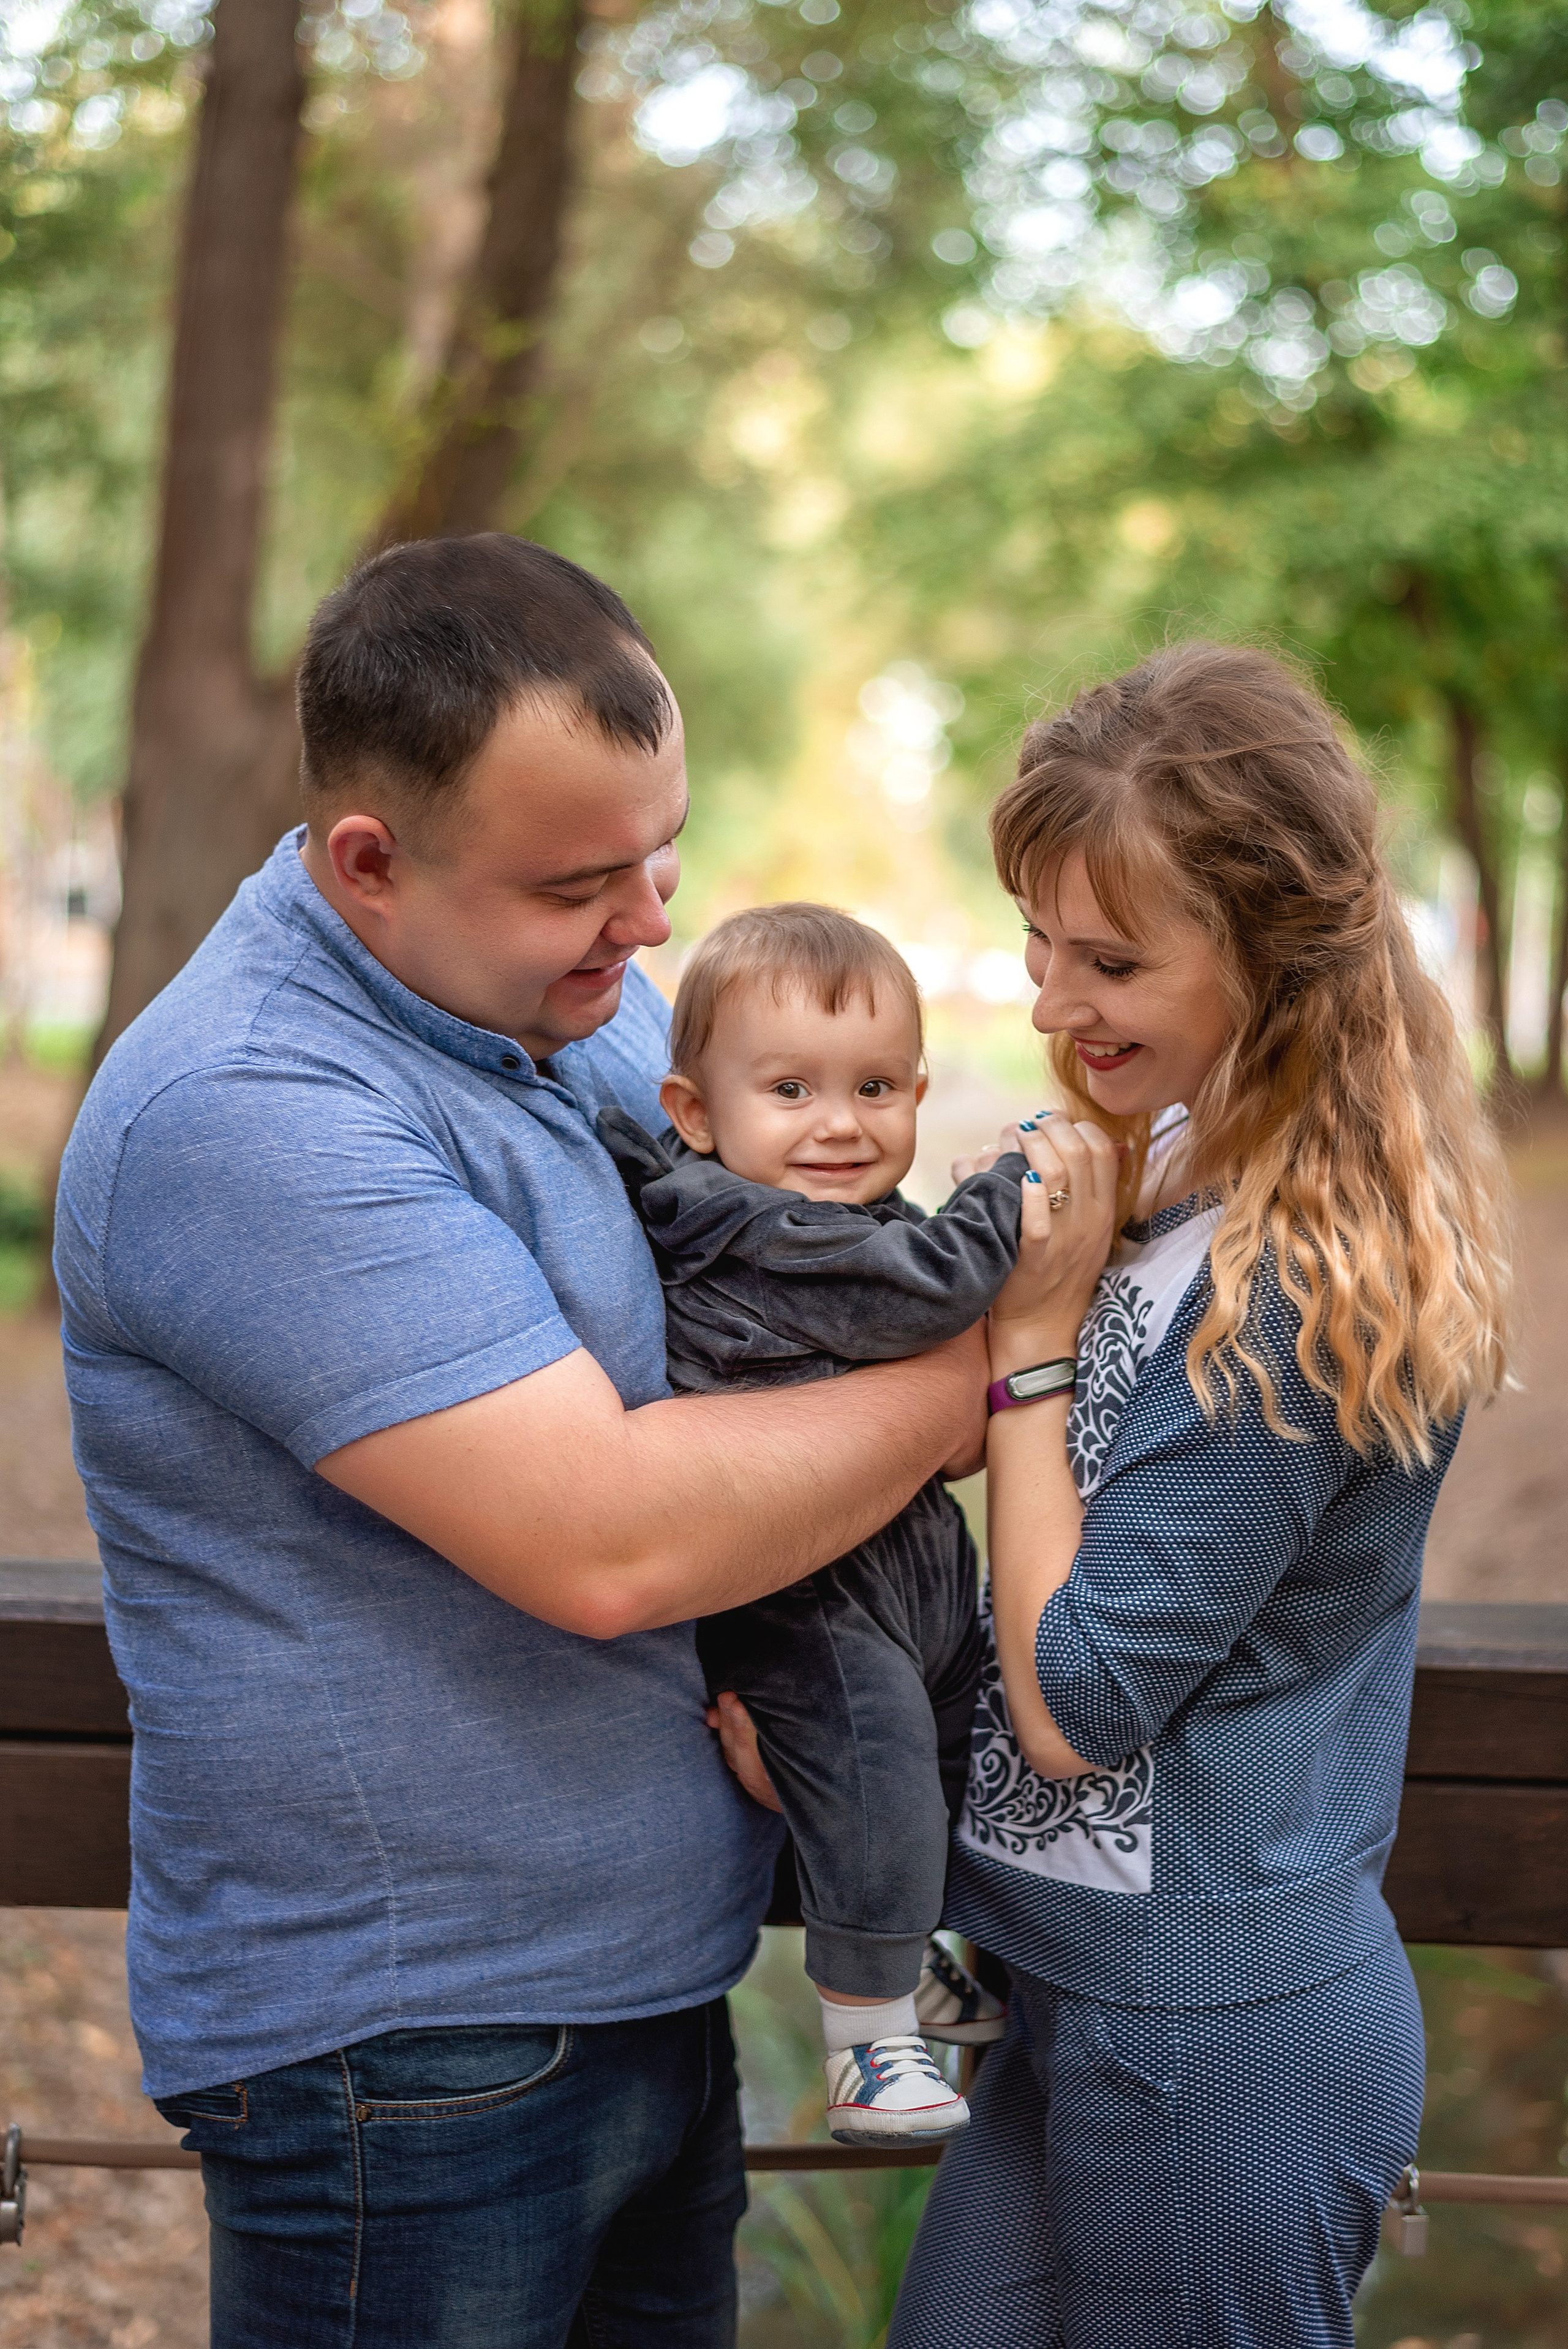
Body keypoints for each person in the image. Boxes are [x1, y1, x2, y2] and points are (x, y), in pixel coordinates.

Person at [53, 533, 986, 2349]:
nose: (649, 926)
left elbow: (793, 1278)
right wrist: (983, 1381)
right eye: (584, 881)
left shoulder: (565, 994)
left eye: (664, 853)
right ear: (371, 865)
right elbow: (607, 1537)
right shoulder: (248, 1109)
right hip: (410, 2059)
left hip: (648, 1990)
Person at [880, 642, 1514, 2349]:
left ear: (1265, 960)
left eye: (1110, 958)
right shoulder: (1160, 1177)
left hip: (1218, 2036)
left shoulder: (1306, 1278)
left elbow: (1083, 1695)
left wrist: (1028, 1347)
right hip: (1071, 1987)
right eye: (1036, 942)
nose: (1048, 998)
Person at [601, 902, 1023, 2149]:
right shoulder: (751, 1225)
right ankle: (866, 2047)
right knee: (881, 1770)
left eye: (876, 1086)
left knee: (956, 1754)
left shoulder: (826, 1206)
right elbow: (935, 1294)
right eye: (790, 1088)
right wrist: (1016, 1192)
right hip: (806, 1595)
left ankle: (910, 1952)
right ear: (694, 1113)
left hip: (901, 1579)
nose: (840, 1123)